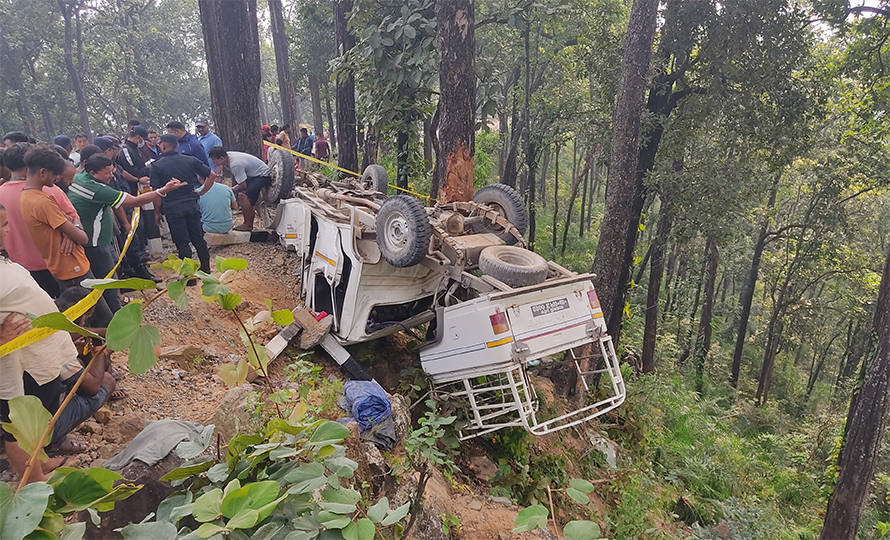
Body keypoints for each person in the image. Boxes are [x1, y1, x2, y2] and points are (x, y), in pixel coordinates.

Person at [0, 203, 103, 482]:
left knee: (38, 413)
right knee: (18, 424)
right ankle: (32, 481)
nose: (8, 230)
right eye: (2, 226)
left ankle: (38, 465)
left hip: (39, 353)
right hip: (15, 360)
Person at [68, 154, 181, 313]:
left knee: (114, 268)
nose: (111, 176)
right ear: (93, 172)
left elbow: (116, 203)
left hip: (103, 238)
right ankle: (115, 312)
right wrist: (163, 190)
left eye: (111, 171)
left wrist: (125, 223)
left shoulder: (80, 177)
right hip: (96, 242)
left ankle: (117, 300)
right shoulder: (96, 189)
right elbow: (134, 201)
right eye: (107, 173)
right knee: (107, 279)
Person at [20, 145, 113, 326]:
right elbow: (83, 237)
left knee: (91, 318)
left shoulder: (28, 197)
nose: (57, 179)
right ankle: (99, 353)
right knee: (96, 320)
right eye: (55, 174)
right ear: (42, 172)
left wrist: (72, 228)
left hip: (64, 266)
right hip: (71, 268)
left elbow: (70, 221)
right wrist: (74, 230)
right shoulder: (42, 202)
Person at [0, 143, 81, 298]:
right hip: (56, 262)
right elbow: (74, 216)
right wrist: (72, 233)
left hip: (18, 267)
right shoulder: (47, 189)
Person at [151, 134, 216, 275]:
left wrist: (157, 213)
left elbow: (157, 194)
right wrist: (202, 191)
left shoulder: (156, 166)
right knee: (198, 238)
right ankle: (206, 270)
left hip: (173, 207)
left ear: (162, 146)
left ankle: (188, 276)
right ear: (177, 145)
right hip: (191, 203)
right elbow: (212, 175)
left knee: (182, 243)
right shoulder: (190, 160)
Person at [208, 147, 272, 232]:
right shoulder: (228, 156)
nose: (213, 162)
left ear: (222, 158)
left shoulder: (235, 164)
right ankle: (248, 222)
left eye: (214, 159)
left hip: (263, 175)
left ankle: (248, 225)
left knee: (243, 197)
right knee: (242, 196)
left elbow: (243, 185)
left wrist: (229, 190)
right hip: (255, 174)